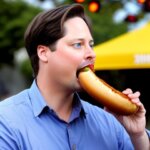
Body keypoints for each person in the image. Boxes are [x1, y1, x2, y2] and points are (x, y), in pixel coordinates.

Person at [0, 3, 149, 150]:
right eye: (78, 44)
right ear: (43, 53)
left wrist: (138, 136)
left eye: (91, 44)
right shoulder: (6, 121)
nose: (92, 54)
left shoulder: (111, 122)